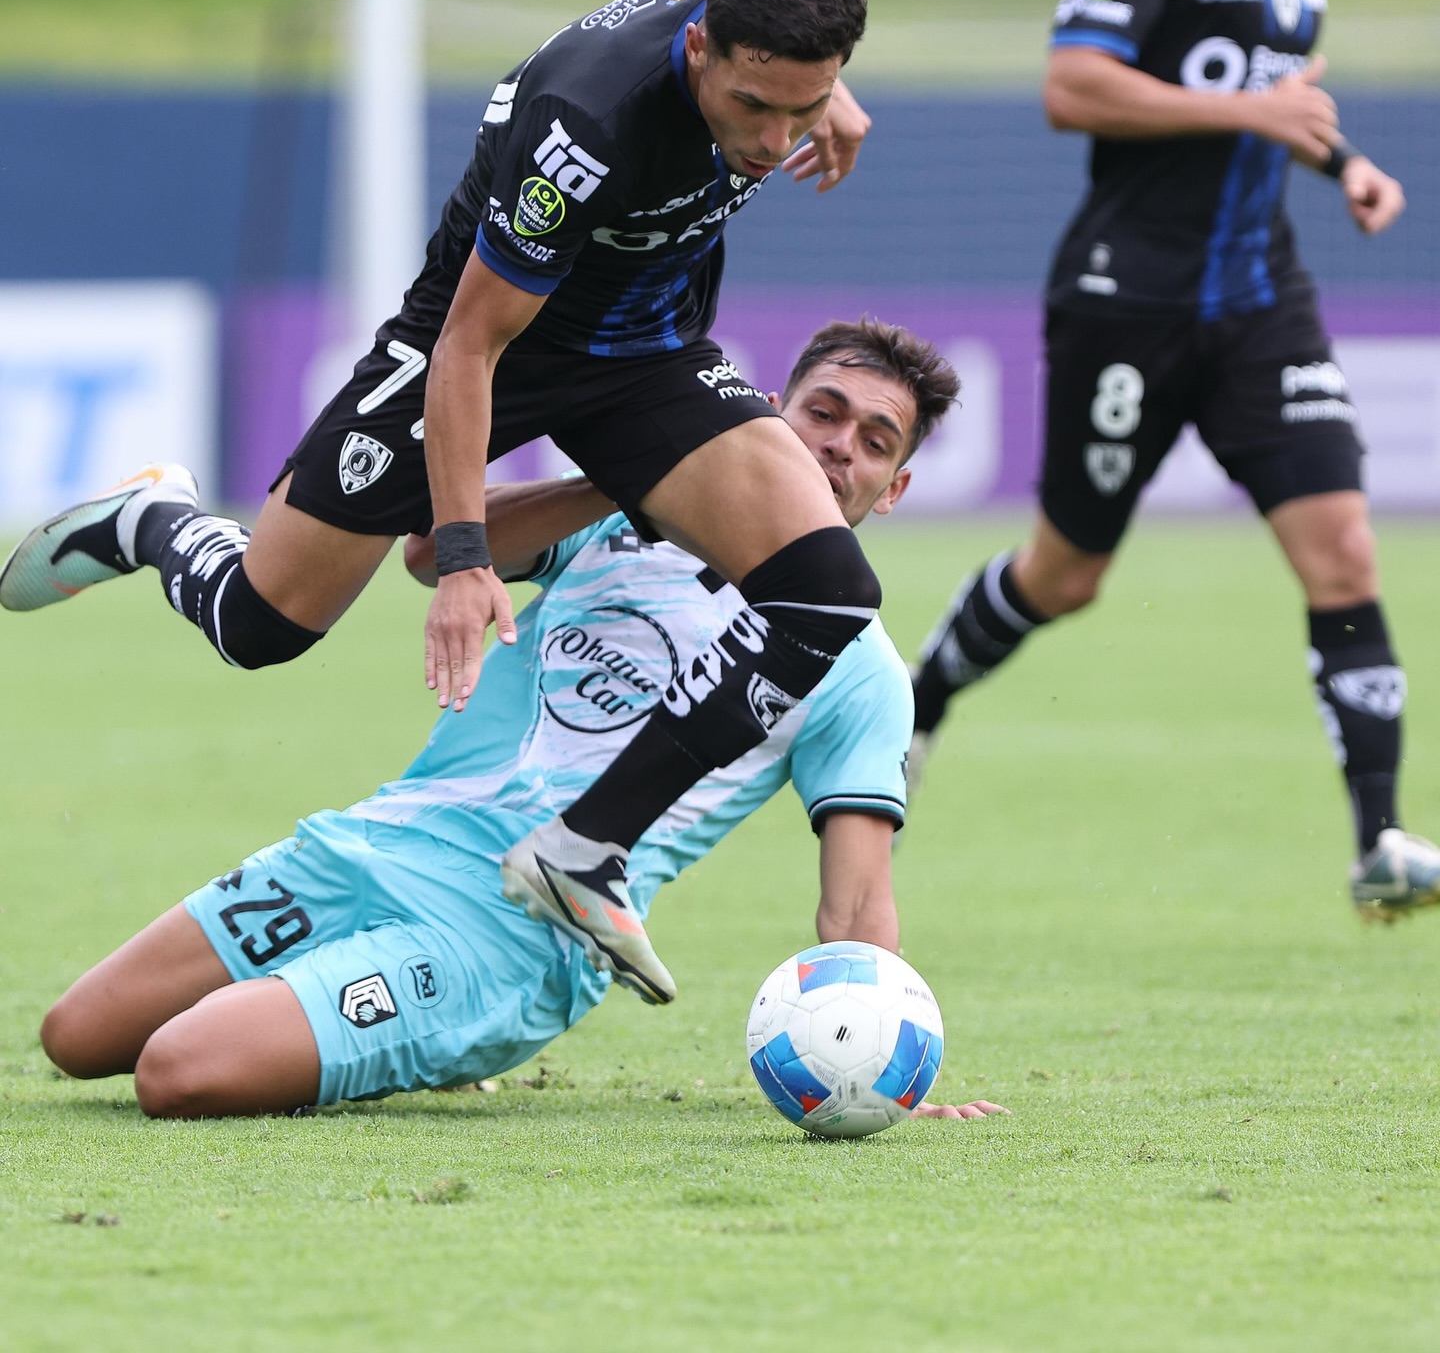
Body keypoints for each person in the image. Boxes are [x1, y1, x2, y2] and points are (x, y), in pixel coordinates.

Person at [4, 0, 885, 1000]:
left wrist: (831, 102)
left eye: (803, 109)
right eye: (751, 108)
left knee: (827, 593)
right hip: (484, 344)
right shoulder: (591, 125)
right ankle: (153, 519)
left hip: (647, 354)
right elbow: (474, 346)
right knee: (264, 627)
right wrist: (466, 558)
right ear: (702, 48)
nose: (773, 142)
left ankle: (581, 850)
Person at [39, 319, 1005, 1127]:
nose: (838, 446)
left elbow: (856, 905)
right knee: (76, 1039)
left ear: (895, 489)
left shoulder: (865, 673)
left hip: (513, 940)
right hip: (381, 840)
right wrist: (641, 481)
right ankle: (159, 517)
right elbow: (431, 551)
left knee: (178, 1070)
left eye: (876, 441)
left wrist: (889, 1073)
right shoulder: (616, 526)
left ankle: (416, 1032)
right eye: (822, 414)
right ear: (768, 416)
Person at [908, 0, 1436, 920]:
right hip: (1126, 303)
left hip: (1263, 301)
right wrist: (1258, 114)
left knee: (1343, 547)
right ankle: (921, 701)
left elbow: (1275, 92)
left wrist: (1340, 160)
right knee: (1068, 573)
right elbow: (1072, 85)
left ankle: (1383, 841)